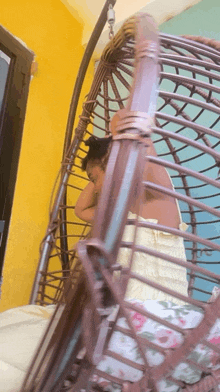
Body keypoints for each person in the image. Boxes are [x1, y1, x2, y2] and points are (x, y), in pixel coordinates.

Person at [75, 109, 188, 303]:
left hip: (162, 314)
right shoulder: (120, 211)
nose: (95, 189)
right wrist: (98, 165)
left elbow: (124, 118)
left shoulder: (157, 190)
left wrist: (110, 149)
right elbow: (81, 210)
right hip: (124, 314)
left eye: (94, 180)